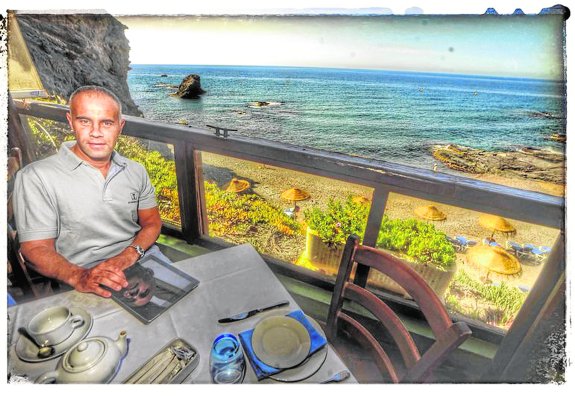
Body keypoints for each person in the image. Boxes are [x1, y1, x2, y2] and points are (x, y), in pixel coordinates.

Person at [13, 85, 164, 298]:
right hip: (78, 273)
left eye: (106, 123)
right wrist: (80, 277)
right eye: (85, 121)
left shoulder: (135, 170)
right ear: (70, 122)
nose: (95, 132)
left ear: (120, 127)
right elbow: (35, 249)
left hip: (140, 258)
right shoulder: (36, 176)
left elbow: (152, 222)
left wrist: (130, 255)